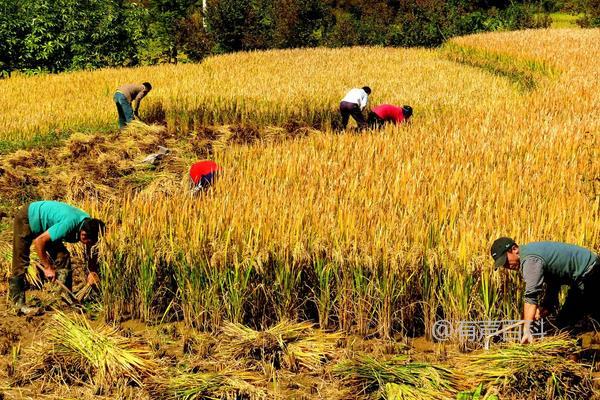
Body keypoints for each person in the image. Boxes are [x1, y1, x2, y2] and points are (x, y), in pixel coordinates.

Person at [490, 237, 600, 343]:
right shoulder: (531, 255)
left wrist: (527, 330)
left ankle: (576, 358)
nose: (506, 266)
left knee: (565, 324)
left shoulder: (530, 261)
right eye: (503, 265)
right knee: (566, 322)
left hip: (591, 274)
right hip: (585, 276)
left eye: (506, 261)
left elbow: (531, 296)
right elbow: (554, 281)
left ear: (514, 249)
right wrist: (547, 306)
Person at [9, 201, 106, 315]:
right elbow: (39, 242)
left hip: (46, 226)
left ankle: (64, 298)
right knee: (21, 260)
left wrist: (92, 271)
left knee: (63, 256)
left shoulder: (90, 225)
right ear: (83, 234)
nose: (88, 245)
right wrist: (47, 267)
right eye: (88, 242)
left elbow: (91, 249)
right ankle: (18, 305)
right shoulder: (69, 224)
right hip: (28, 218)